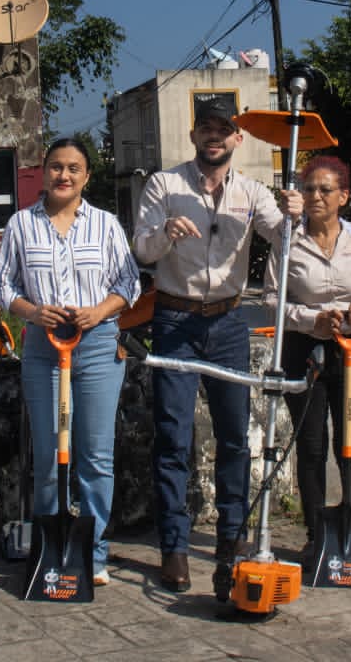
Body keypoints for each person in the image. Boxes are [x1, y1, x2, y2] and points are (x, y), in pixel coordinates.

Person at [132, 99, 302, 598]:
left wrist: (295, 212)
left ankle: (231, 539)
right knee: (172, 437)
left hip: (228, 322)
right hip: (175, 317)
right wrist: (165, 234)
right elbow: (141, 248)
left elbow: (285, 239)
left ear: (237, 139)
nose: (215, 137)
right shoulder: (165, 185)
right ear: (193, 136)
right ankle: (174, 549)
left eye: (223, 130)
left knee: (234, 438)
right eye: (206, 128)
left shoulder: (252, 192)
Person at [0, 137, 141, 587]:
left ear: (86, 176)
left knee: (95, 456)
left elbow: (129, 282)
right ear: (43, 171)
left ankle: (92, 554)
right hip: (43, 350)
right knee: (49, 454)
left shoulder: (106, 224)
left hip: (96, 348)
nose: (64, 175)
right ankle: (51, 549)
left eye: (74, 168)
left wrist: (99, 311)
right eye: (56, 167)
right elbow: (3, 287)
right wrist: (33, 313)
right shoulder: (21, 225)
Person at [261, 156, 351, 564]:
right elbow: (271, 299)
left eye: (324, 189)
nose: (315, 196)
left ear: (343, 197)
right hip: (305, 349)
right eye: (308, 188)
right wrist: (311, 318)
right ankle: (318, 538)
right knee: (312, 445)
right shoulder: (287, 240)